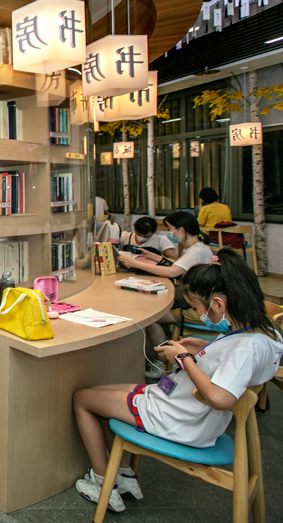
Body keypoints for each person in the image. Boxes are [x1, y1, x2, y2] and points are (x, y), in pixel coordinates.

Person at [71, 250, 282, 513]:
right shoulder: (264, 334)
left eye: (196, 307)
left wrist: (184, 357)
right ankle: (123, 476)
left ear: (218, 304)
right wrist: (204, 348)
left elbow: (221, 398)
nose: (198, 313)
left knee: (83, 399)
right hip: (184, 405)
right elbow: (233, 363)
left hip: (180, 418)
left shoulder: (245, 348)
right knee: (99, 394)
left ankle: (104, 484)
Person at [119, 212, 214, 377]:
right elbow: (179, 265)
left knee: (152, 317)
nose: (169, 233)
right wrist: (155, 257)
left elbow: (173, 271)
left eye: (170, 229)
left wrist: (135, 263)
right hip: (196, 301)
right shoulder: (197, 248)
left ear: (181, 230)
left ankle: (162, 363)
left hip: (199, 308)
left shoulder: (196, 251)